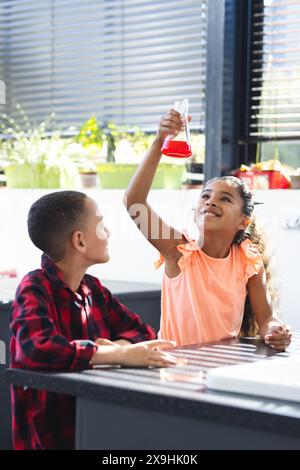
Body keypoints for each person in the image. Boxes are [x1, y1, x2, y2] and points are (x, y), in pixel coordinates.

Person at [10, 190, 177, 450]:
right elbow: (35, 349)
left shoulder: (93, 288)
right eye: (100, 224)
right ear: (79, 241)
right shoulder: (35, 286)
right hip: (50, 436)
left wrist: (119, 347)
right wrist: (117, 355)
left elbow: (142, 330)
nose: (108, 233)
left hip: (93, 424)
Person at [124, 108, 292, 350]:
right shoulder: (179, 250)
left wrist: (275, 330)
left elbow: (266, 318)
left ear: (243, 222)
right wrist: (160, 140)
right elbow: (134, 203)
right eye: (205, 196)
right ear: (195, 211)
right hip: (176, 369)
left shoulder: (248, 261)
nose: (211, 202)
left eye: (225, 199)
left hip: (223, 366)